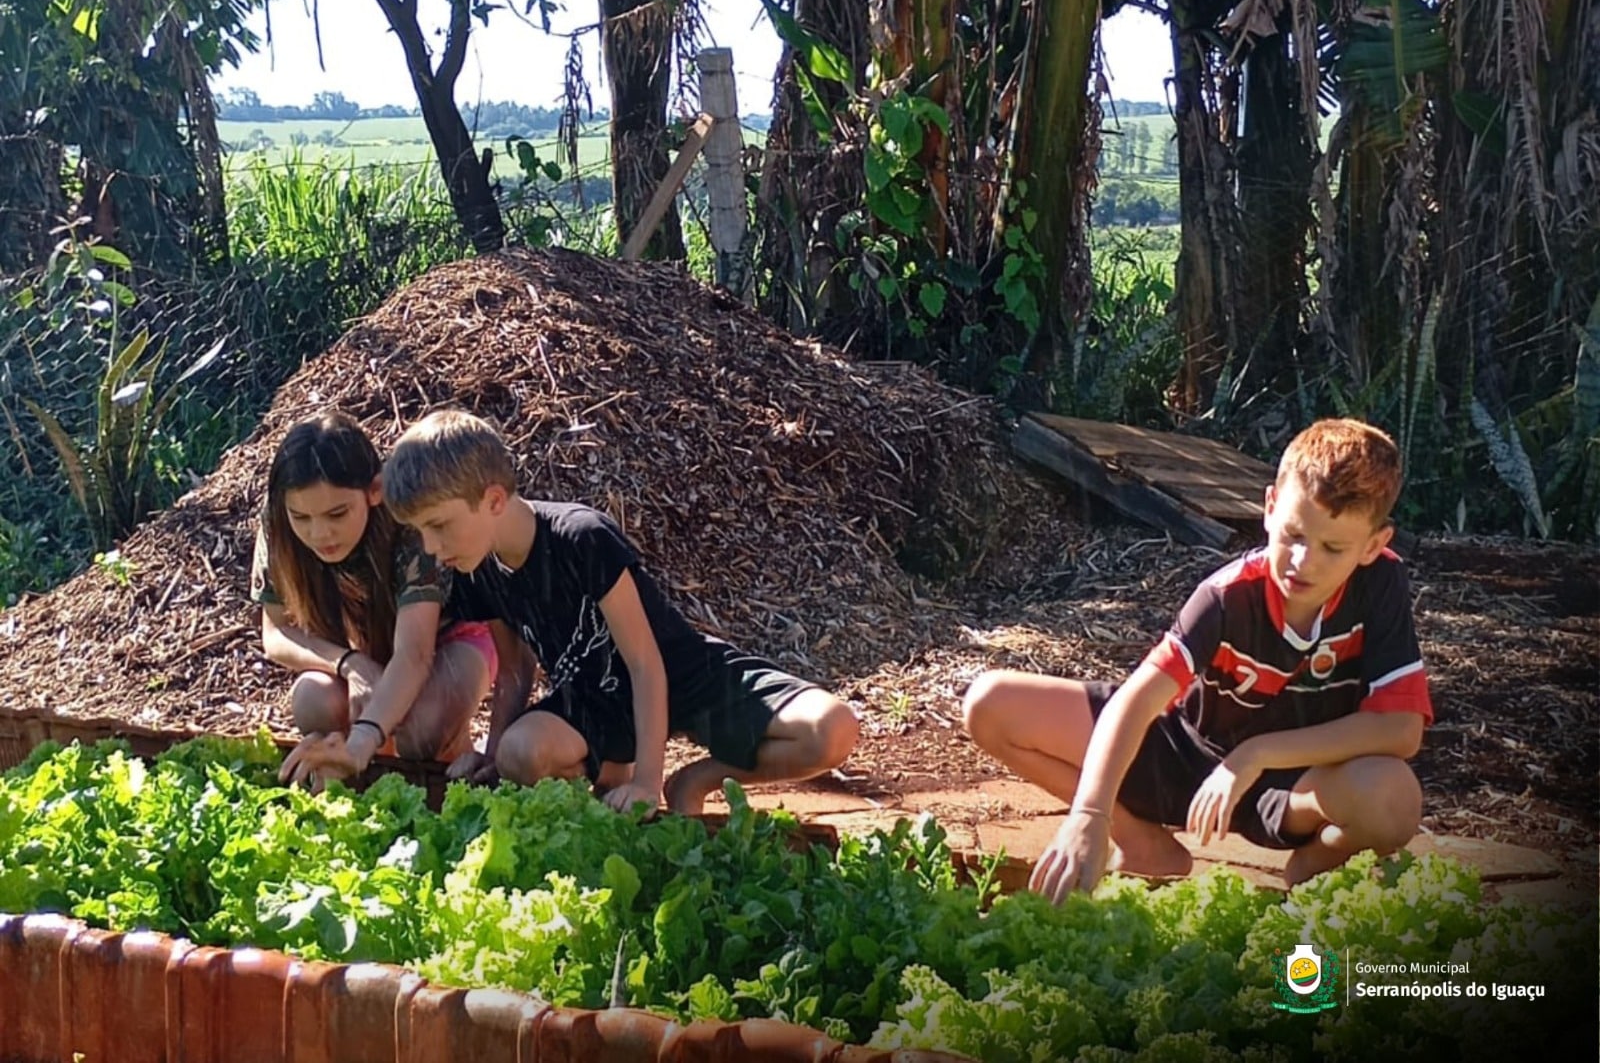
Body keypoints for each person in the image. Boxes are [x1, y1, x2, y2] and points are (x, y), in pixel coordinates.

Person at [962, 418, 1432, 901]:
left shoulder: (1380, 586)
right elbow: (1138, 701)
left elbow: (1400, 730)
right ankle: (1142, 842)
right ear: (1270, 508)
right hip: (1183, 757)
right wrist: (1090, 815)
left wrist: (1255, 754)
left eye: (1333, 548)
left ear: (1374, 545)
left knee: (1393, 799)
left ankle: (1315, 869)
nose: (1303, 562)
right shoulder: (1226, 595)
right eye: (1293, 535)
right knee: (990, 704)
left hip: (1293, 789)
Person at [378, 408, 860, 815]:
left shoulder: (582, 537)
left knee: (832, 731)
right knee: (519, 753)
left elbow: (645, 663)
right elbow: (515, 670)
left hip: (684, 677)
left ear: (493, 500)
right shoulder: (477, 569)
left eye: (438, 526)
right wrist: (491, 753)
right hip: (593, 705)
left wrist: (651, 781)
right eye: (421, 532)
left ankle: (691, 781)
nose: (432, 548)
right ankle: (606, 783)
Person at [252, 411, 496, 792]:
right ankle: (345, 790)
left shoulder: (409, 521)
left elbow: (415, 654)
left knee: (421, 730)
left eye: (337, 513)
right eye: (301, 517)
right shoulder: (277, 525)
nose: (319, 533)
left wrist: (366, 734)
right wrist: (351, 664)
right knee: (312, 700)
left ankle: (450, 778)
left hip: (447, 645)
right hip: (366, 651)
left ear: (374, 491)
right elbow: (277, 633)